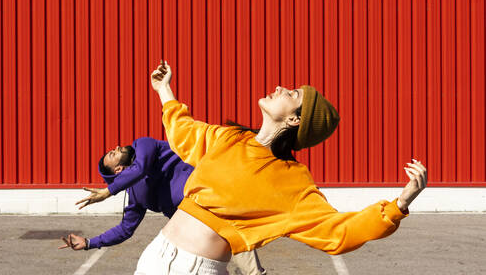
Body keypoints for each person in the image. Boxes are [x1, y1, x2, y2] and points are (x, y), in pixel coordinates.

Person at [79, 60, 427, 275]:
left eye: (291, 93)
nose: (279, 87)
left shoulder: (291, 182)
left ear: (294, 119)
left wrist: (398, 205)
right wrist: (164, 89)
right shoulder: (231, 138)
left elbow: (337, 232)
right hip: (154, 257)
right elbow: (184, 133)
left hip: (192, 268)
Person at [58, 138, 266, 275]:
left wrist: (107, 192)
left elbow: (142, 168)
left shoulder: (144, 146)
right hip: (192, 232)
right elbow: (125, 229)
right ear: (118, 170)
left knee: (248, 263)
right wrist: (88, 243)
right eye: (112, 154)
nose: (116, 148)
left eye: (112, 149)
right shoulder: (136, 195)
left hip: (214, 202)